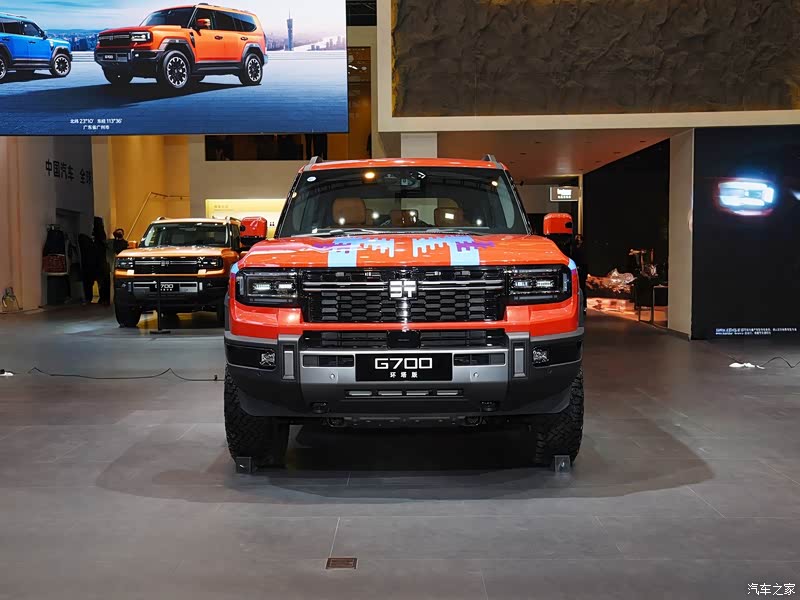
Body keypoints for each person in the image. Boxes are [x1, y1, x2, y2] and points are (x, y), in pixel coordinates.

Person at [92, 217, 111, 306]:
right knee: (104, 280)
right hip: (103, 261)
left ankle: (103, 298)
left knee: (101, 280)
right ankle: (105, 298)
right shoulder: (101, 236)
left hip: (99, 261)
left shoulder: (96, 237)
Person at [573, 234, 589, 308]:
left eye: (578, 238)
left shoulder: (583, 249)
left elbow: (584, 261)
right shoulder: (575, 248)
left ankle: (583, 305)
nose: (577, 240)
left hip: (582, 271)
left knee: (582, 288)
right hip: (578, 270)